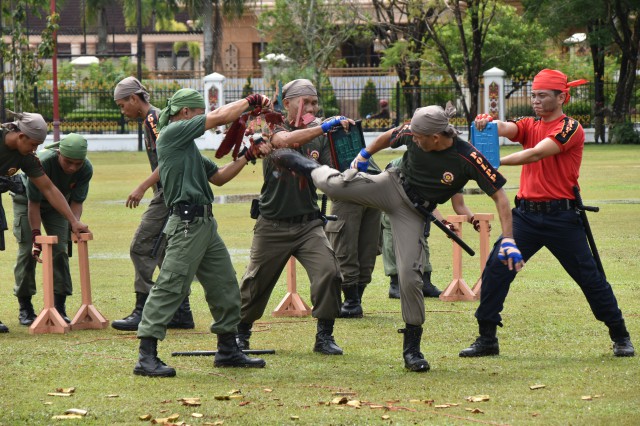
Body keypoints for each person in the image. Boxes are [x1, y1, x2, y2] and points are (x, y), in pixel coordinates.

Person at [270, 102, 523, 372]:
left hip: (413, 212)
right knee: (335, 185)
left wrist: (508, 239)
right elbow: (387, 136)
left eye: (418, 138)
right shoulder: (413, 132)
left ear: (436, 138)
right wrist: (364, 156)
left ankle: (412, 348)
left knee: (409, 275)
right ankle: (304, 164)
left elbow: (500, 197)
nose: (411, 138)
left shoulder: (468, 157)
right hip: (391, 184)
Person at [459, 69, 635, 358]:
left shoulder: (570, 128)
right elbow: (508, 128)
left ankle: (620, 335)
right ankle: (486, 338)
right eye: (534, 95)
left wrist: (491, 162)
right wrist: (488, 124)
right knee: (496, 270)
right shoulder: (530, 123)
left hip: (561, 218)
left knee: (590, 278)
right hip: (525, 217)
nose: (536, 101)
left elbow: (537, 153)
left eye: (542, 96)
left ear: (561, 97)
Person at [133, 89, 271, 377]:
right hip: (185, 225)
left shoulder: (188, 149)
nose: (203, 118)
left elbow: (218, 177)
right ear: (185, 113)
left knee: (225, 286)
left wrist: (247, 155)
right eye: (198, 112)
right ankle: (146, 356)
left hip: (205, 225)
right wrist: (252, 101)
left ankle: (227, 350)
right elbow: (219, 116)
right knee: (172, 285)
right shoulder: (171, 134)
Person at [235, 79, 347, 355]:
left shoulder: (320, 134)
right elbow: (283, 142)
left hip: (308, 224)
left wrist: (348, 145)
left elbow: (335, 173)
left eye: (314, 102)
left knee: (329, 273)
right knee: (254, 284)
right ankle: (240, 335)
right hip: (272, 223)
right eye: (305, 102)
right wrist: (323, 126)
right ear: (287, 104)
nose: (311, 107)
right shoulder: (271, 126)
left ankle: (324, 336)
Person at [112, 77, 194, 332]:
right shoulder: (155, 119)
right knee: (168, 252)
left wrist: (143, 186)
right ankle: (181, 312)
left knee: (142, 246)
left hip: (169, 193)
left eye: (122, 104)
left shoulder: (154, 120)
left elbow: (168, 159)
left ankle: (143, 310)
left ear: (134, 99)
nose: (122, 110)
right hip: (174, 193)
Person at [0, 111, 90, 333]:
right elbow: (33, 203)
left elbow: (49, 188)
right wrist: (34, 235)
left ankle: (59, 305)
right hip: (27, 204)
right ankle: (25, 307)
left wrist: (73, 221)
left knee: (59, 250)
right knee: (26, 252)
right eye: (33, 143)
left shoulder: (27, 158)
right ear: (21, 135)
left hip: (41, 206)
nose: (35, 149)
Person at [382, 183, 483, 299]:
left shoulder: (459, 175)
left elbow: (459, 205)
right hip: (394, 197)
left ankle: (425, 283)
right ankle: (395, 284)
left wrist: (474, 221)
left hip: (419, 202)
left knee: (421, 240)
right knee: (392, 240)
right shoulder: (423, 168)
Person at [324, 158, 382, 319]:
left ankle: (352, 301)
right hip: (372, 181)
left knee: (345, 243)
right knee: (366, 243)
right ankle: (354, 301)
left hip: (348, 184)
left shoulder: (324, 133)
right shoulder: (352, 133)